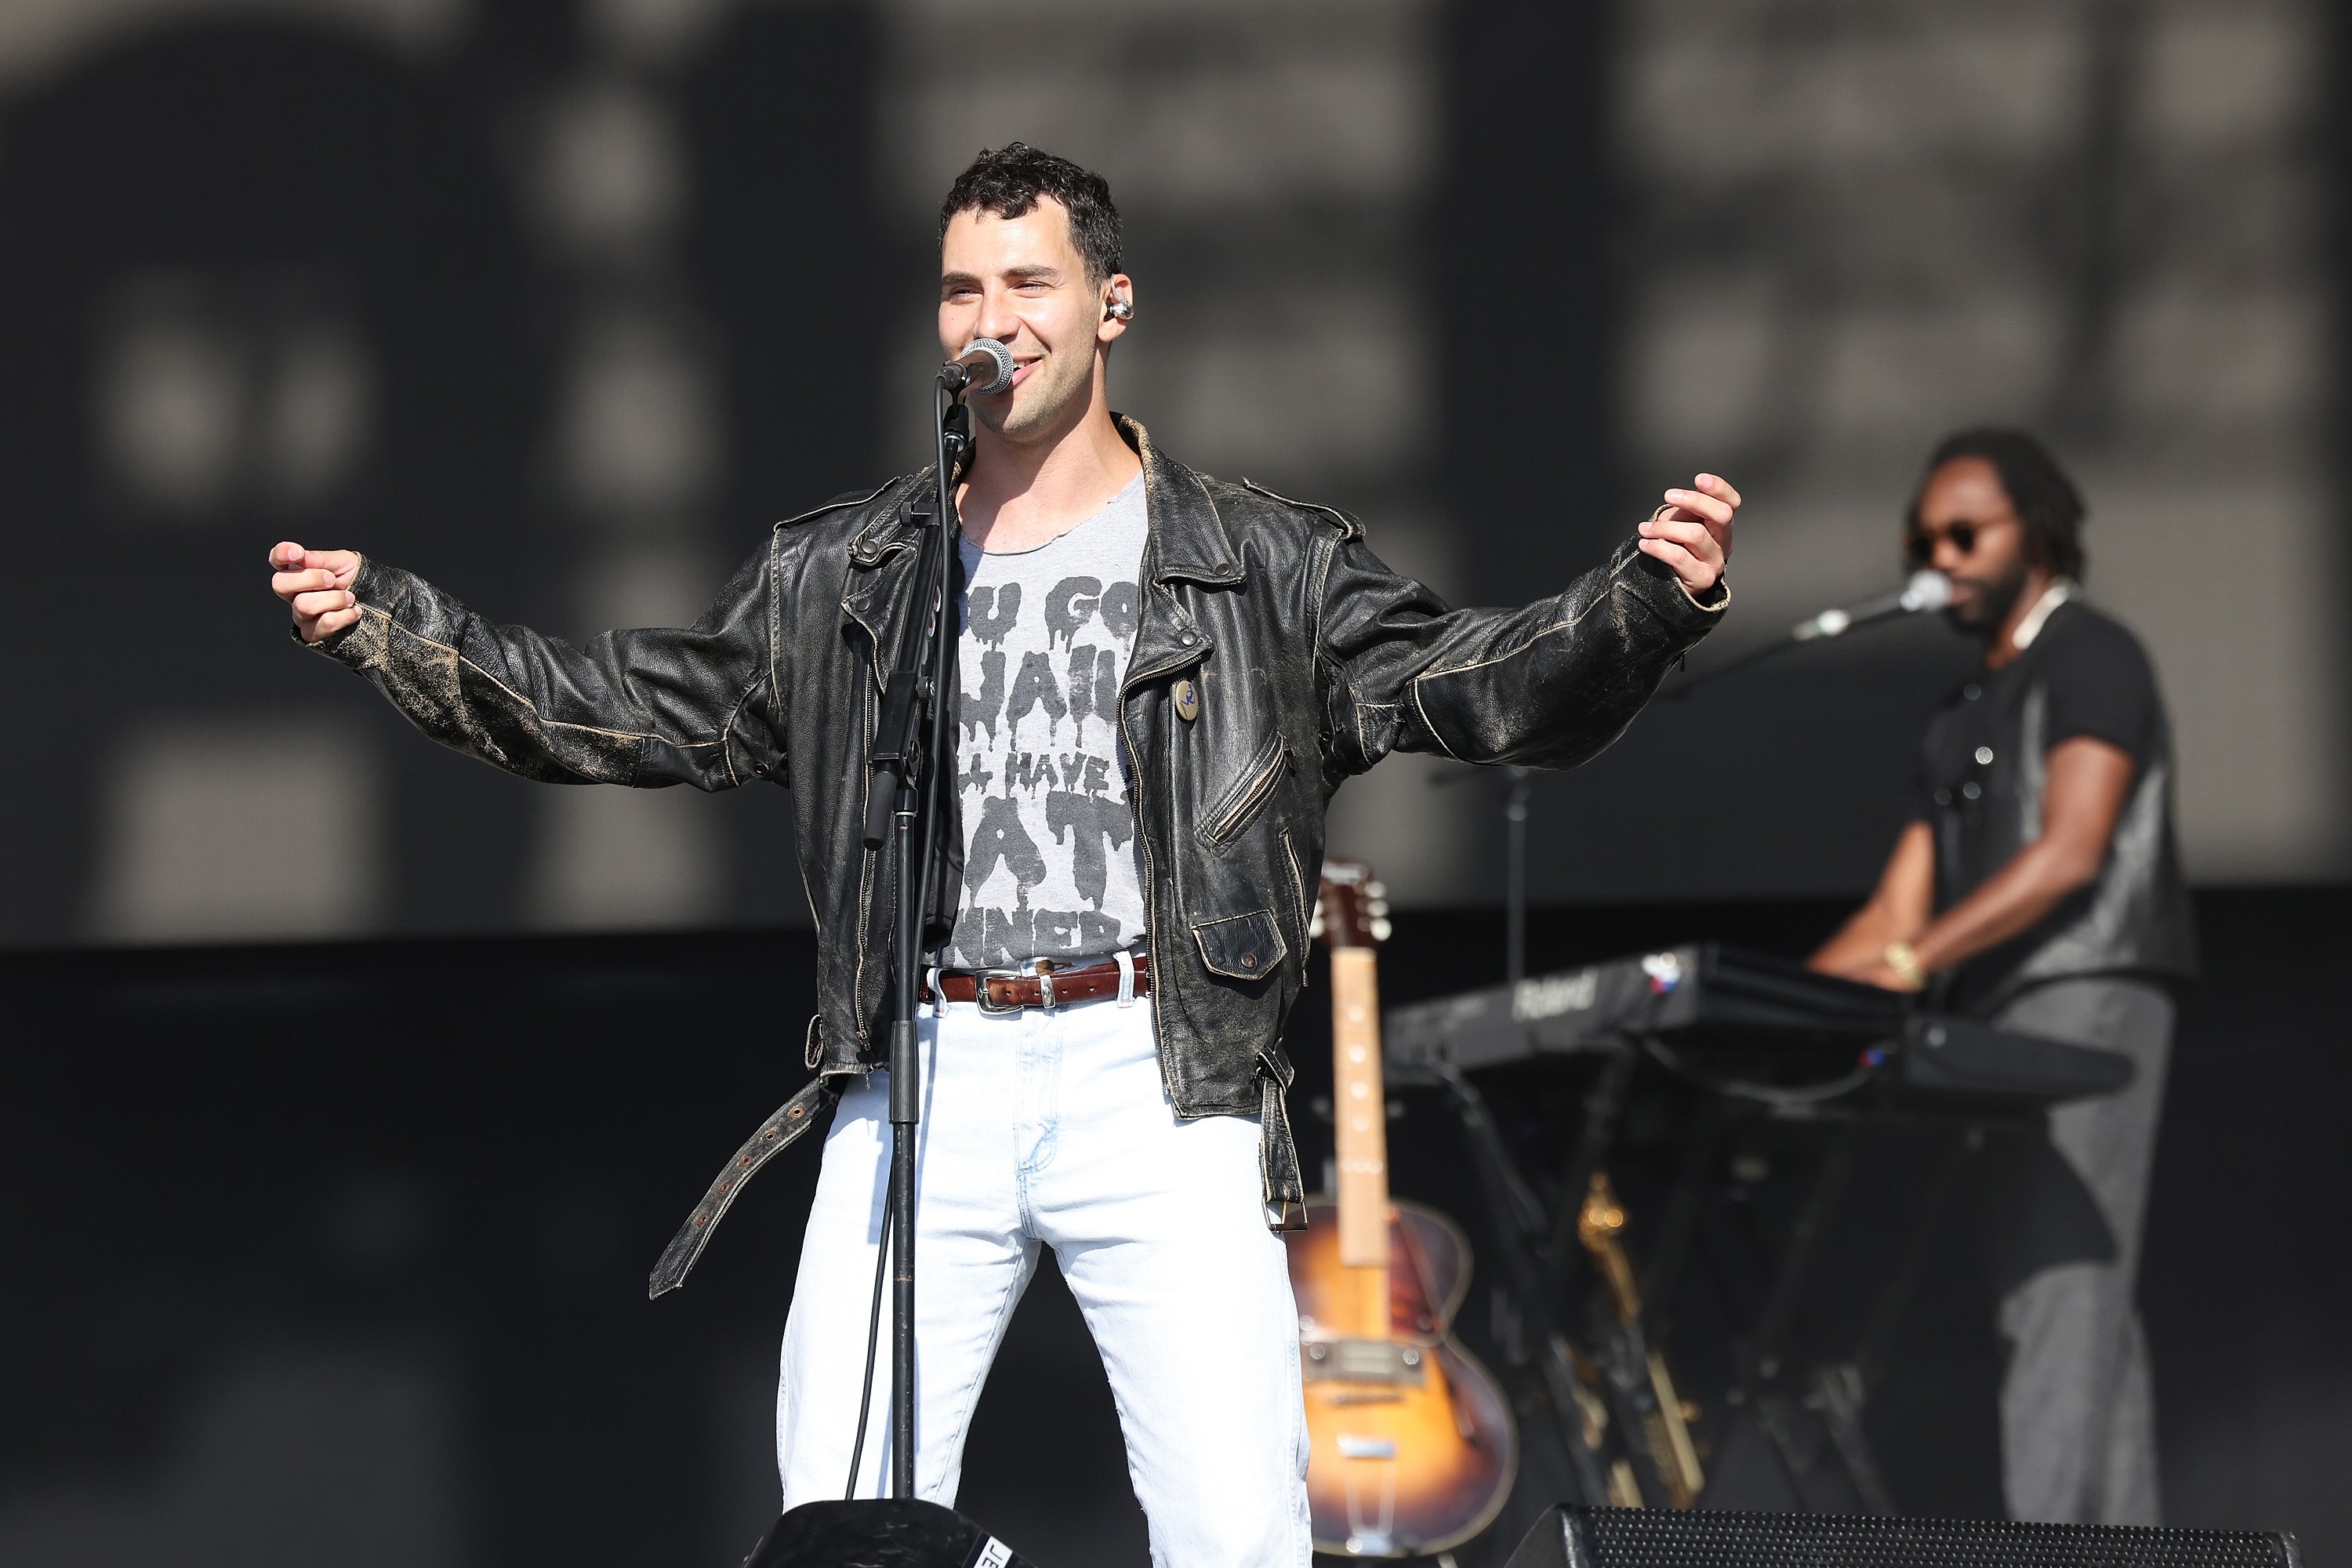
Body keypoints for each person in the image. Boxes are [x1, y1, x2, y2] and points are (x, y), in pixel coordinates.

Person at [269, 143, 1738, 1566]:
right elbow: (624, 710)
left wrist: (1642, 605)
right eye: (963, 292)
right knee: (840, 1524)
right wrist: (401, 626)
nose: (993, 323)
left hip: (1158, 1075)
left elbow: (1470, 688)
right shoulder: (849, 570)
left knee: (1235, 1531)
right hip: (927, 1070)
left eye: (1028, 285)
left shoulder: (1259, 560)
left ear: (1111, 303)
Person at [1810, 429, 2194, 1526]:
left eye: (1967, 532)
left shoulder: (2090, 653)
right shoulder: (1962, 711)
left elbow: (2071, 852)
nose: (1943, 554)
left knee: (2056, 1302)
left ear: (2036, 525)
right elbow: (1895, 912)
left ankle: (2052, 1553)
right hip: (1997, 1010)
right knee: (2081, 1311)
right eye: (1924, 539)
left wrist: (1915, 960)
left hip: (2087, 990)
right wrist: (1745, 1007)